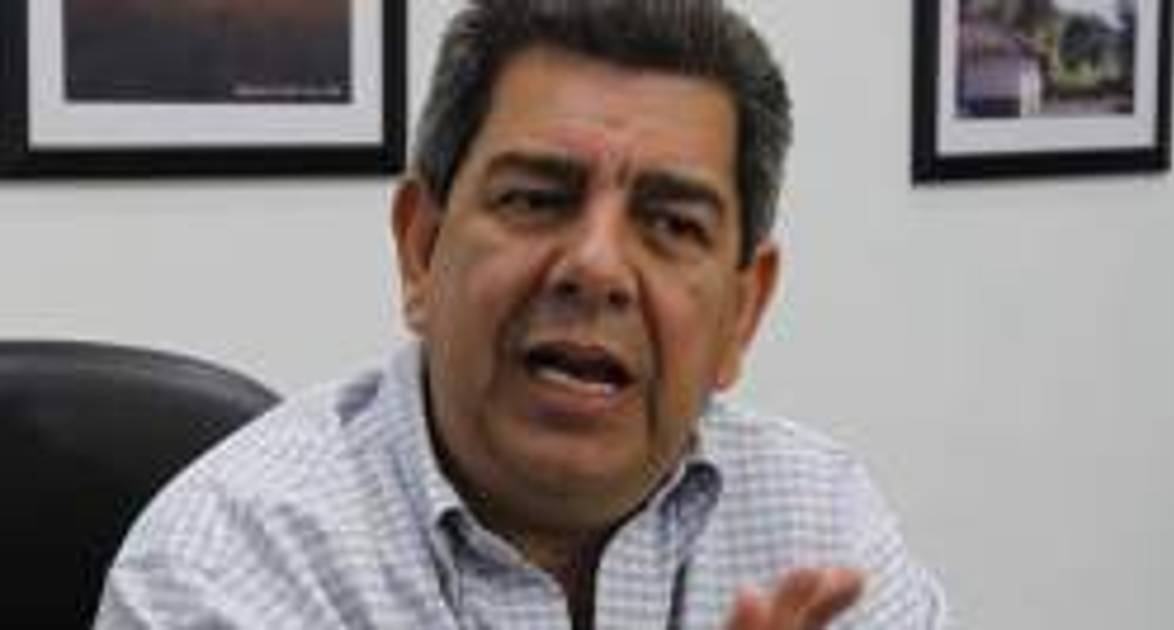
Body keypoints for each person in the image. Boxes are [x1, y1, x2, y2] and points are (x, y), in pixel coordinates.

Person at [95, 1, 948, 628]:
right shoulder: (229, 565)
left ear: (742, 312)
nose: (596, 267)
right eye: (537, 199)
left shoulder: (822, 529)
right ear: (422, 250)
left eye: (671, 224)